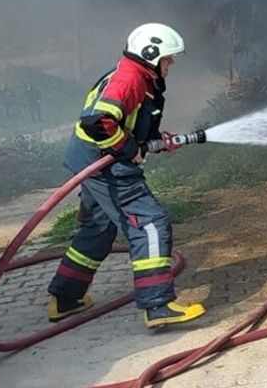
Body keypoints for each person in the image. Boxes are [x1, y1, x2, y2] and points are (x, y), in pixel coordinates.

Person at [46, 23, 205, 329]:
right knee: (151, 224)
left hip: (91, 160)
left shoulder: (139, 76)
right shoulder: (130, 78)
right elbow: (98, 121)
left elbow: (128, 119)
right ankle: (157, 305)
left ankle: (65, 298)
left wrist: (155, 139)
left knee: (100, 227)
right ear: (151, 55)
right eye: (168, 58)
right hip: (105, 164)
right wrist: (128, 148)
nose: (171, 63)